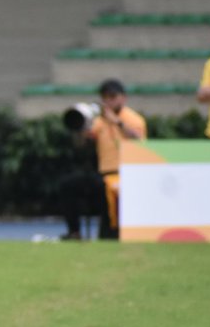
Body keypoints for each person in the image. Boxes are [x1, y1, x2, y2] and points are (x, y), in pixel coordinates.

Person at [59, 79, 146, 241]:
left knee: (105, 190)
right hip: (104, 174)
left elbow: (140, 141)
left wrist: (117, 122)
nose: (108, 101)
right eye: (105, 97)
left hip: (128, 173)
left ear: (123, 98)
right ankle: (74, 232)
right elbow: (81, 145)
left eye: (113, 96)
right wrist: (81, 128)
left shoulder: (134, 119)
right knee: (68, 185)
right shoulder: (99, 122)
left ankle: (109, 233)